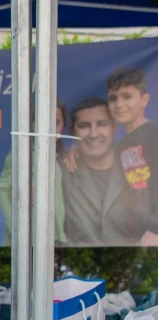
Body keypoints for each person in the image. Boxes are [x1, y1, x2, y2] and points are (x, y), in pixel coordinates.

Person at [64, 97, 142, 246]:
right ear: (72, 131)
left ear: (114, 127)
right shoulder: (61, 174)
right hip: (77, 264)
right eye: (84, 126)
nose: (93, 134)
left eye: (102, 124)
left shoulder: (139, 167)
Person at [0, 101, 68, 246]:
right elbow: (2, 189)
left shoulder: (61, 157)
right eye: (42, 121)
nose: (49, 127)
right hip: (28, 238)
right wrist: (16, 229)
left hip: (53, 236)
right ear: (33, 124)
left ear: (62, 127)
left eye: (56, 122)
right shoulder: (22, 153)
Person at [106, 68, 158, 245]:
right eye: (113, 98)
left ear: (144, 100)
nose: (119, 104)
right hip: (133, 239)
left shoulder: (154, 131)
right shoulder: (120, 146)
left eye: (127, 96)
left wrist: (154, 230)